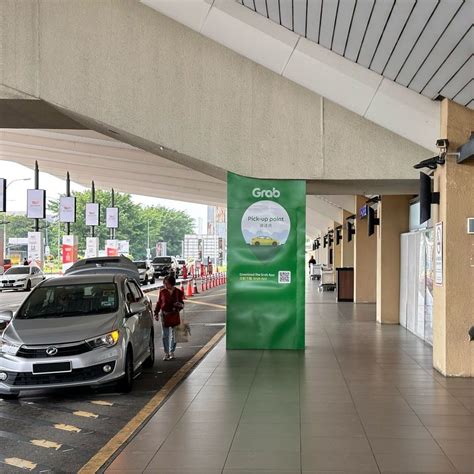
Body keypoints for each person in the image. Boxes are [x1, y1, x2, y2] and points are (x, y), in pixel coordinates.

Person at [154, 275, 184, 361]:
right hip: (165, 315)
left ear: (172, 283)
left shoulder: (178, 292)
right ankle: (166, 353)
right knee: (165, 335)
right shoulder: (162, 292)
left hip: (174, 314)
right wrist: (156, 313)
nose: (165, 285)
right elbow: (159, 302)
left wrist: (179, 305)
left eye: (167, 284)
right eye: (164, 283)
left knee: (175, 335)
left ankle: (172, 351)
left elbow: (182, 304)